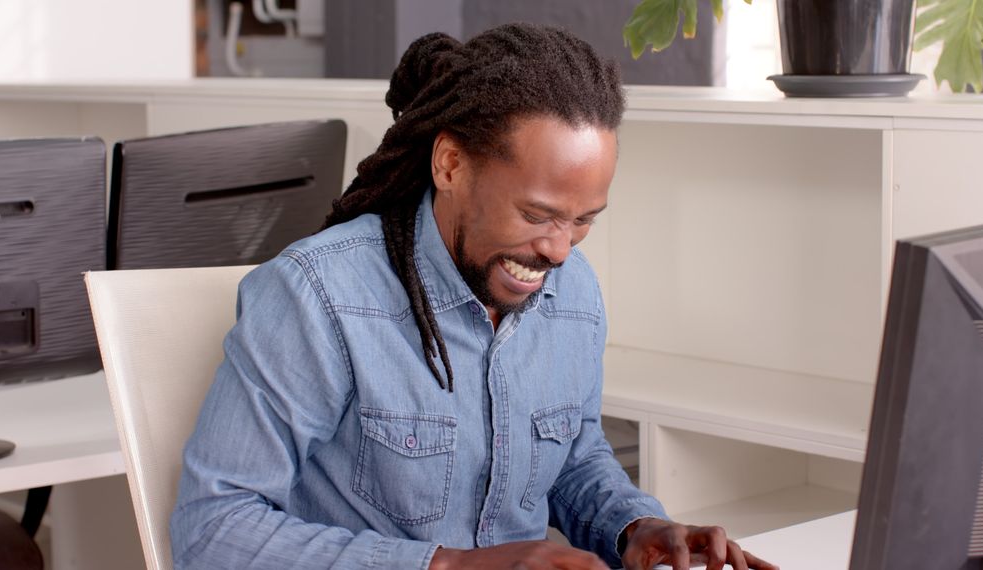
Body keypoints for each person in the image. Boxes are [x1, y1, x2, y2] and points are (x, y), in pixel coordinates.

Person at [171, 23, 777, 570]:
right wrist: (449, 566)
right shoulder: (318, 295)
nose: (560, 250)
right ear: (451, 165)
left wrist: (636, 526)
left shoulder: (573, 291)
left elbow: (572, 457)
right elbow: (213, 530)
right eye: (537, 214)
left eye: (584, 219)